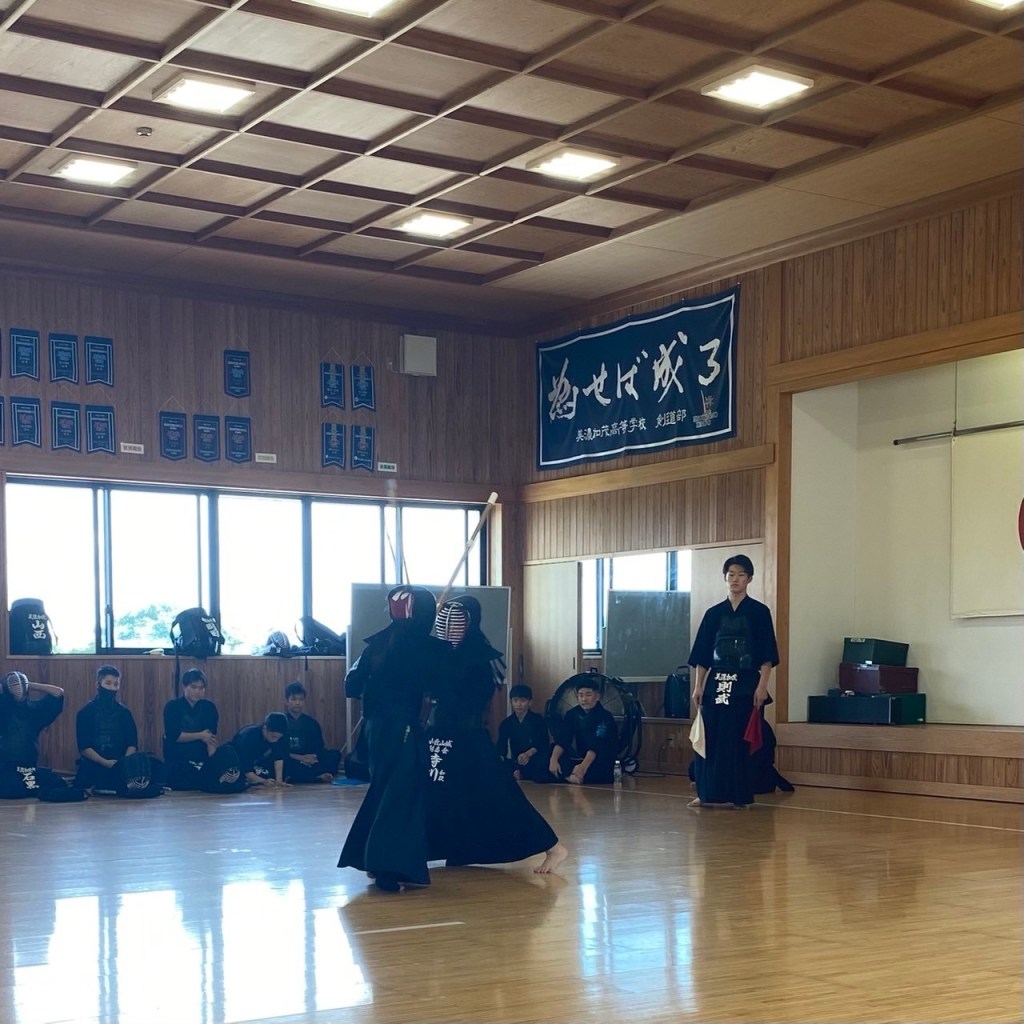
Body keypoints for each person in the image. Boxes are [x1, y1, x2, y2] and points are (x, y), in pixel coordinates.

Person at [426, 598, 567, 874]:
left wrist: (444, 682)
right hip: (439, 736)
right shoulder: (439, 655)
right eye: (446, 622)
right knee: (436, 794)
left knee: (501, 793)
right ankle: (445, 850)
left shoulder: (479, 659)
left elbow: (471, 701)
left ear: (469, 624)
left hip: (468, 739)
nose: (451, 628)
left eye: (458, 622)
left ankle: (553, 847)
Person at [338, 585, 453, 893]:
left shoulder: (378, 643)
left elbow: (351, 686)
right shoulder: (426, 648)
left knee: (384, 791)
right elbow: (443, 687)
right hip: (402, 729)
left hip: (374, 730)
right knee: (398, 796)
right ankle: (387, 868)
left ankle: (373, 859)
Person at [688, 554, 780, 809]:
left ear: (749, 579)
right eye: (731, 574)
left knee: (740, 740)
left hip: (745, 684)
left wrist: (762, 687)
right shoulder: (713, 613)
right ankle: (706, 793)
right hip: (716, 683)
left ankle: (740, 795)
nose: (735, 579)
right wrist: (698, 686)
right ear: (725, 578)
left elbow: (767, 655)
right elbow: (702, 654)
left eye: (741, 575)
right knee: (711, 737)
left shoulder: (759, 612)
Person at [74, 665, 164, 798]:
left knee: (153, 765)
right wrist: (105, 762)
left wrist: (124, 763)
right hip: (96, 763)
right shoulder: (85, 713)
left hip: (121, 764)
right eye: (108, 683)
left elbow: (132, 744)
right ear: (98, 685)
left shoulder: (124, 713)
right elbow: (84, 748)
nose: (112, 688)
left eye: (116, 684)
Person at [162, 668, 246, 794]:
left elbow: (209, 738)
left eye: (201, 688)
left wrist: (213, 762)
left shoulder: (209, 707)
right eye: (193, 687)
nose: (197, 691)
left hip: (201, 757)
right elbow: (174, 736)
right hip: (178, 758)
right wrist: (200, 735)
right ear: (184, 687)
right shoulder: (172, 706)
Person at [0, 671, 81, 800]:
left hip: (28, 767)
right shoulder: (3, 710)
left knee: (56, 783)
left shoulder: (34, 709)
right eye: (13, 686)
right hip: (6, 767)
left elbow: (58, 692)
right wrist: (4, 686)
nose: (17, 689)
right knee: (13, 789)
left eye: (20, 685)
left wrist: (28, 684)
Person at [548, 675, 618, 784]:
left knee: (601, 772)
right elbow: (563, 739)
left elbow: (597, 744)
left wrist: (583, 767)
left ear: (597, 696)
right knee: (545, 761)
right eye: (580, 695)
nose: (584, 699)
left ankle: (567, 776)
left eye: (588, 695)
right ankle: (570, 777)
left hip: (598, 759)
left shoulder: (605, 716)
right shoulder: (572, 714)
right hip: (580, 758)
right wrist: (553, 759)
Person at [282, 681, 341, 783]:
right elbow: (278, 750)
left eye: (301, 699)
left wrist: (312, 757)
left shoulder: (311, 723)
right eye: (294, 699)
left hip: (309, 759)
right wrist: (301, 758)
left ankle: (306, 776)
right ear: (287, 701)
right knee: (285, 764)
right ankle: (315, 777)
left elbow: (318, 746)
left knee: (334, 755)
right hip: (292, 758)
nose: (297, 703)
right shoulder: (281, 722)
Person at [496, 683, 551, 782]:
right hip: (516, 760)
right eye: (515, 700)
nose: (518, 704)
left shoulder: (538, 721)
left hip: (533, 757)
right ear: (511, 702)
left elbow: (542, 744)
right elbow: (501, 747)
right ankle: (516, 771)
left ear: (530, 702)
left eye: (523, 700)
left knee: (542, 763)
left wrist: (527, 754)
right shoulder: (506, 723)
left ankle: (521, 773)